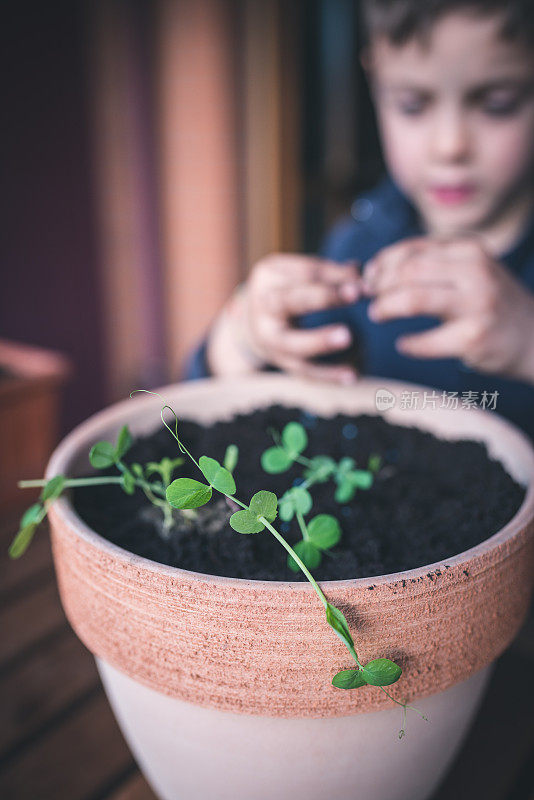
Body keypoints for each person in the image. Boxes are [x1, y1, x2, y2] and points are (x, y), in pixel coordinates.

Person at [186, 0, 534, 440]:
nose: (450, 145)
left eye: (497, 104)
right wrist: (246, 333)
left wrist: (527, 342)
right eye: (411, 104)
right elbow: (206, 405)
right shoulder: (359, 243)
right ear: (375, 81)